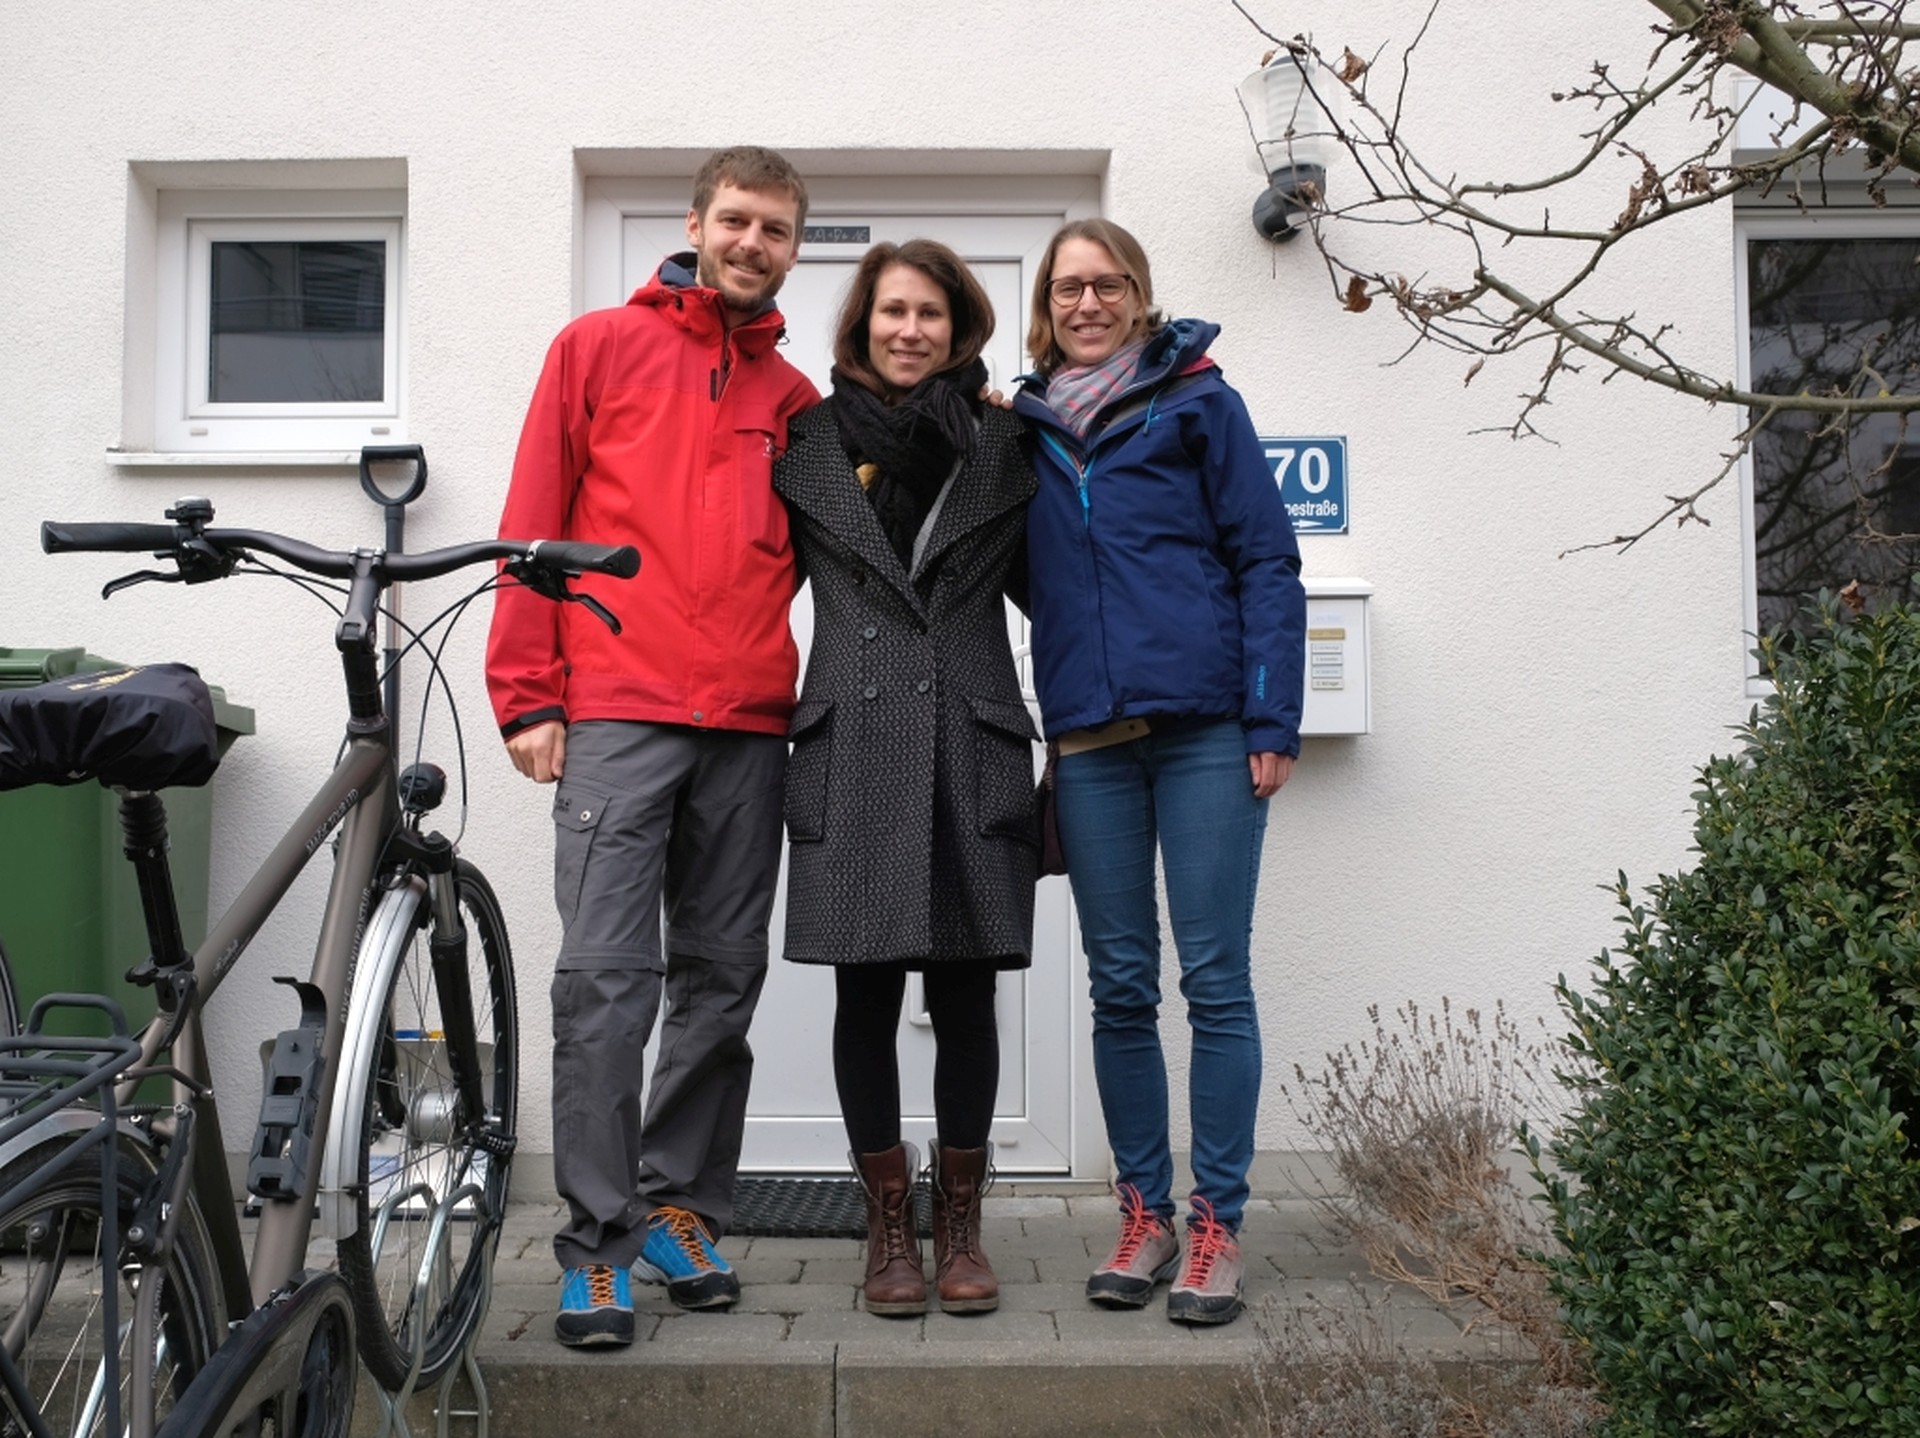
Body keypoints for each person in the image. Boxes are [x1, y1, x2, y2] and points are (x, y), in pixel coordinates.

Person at [485, 146, 818, 1349]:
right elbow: (534, 522)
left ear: (791, 249)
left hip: (748, 723)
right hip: (619, 710)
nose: (753, 242)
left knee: (722, 982)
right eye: (738, 219)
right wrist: (528, 691)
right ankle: (595, 1244)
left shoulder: (794, 401)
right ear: (695, 223)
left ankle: (681, 1205)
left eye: (776, 230)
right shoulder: (596, 349)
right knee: (606, 985)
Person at [1012, 219, 1305, 1327]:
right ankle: (1145, 1213)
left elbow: (1267, 559)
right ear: (1048, 304)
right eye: (1069, 287)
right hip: (1089, 743)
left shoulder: (1197, 402)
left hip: (1207, 735)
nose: (1088, 301)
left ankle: (1217, 1219)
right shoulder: (1026, 427)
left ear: (1139, 294)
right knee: (1120, 987)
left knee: (1215, 981)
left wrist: (1272, 713)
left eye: (1109, 283)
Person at [772, 239, 1039, 1317]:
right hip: (856, 736)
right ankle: (889, 1234)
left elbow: (1063, 581)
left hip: (971, 733)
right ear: (862, 323)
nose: (911, 330)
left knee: (967, 988)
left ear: (959, 324)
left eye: (931, 312)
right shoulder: (807, 441)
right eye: (893, 311)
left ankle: (961, 1226)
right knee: (865, 991)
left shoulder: (1005, 438)